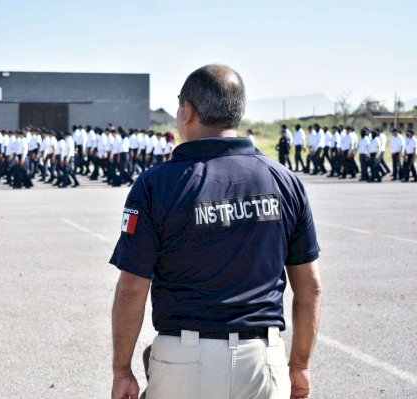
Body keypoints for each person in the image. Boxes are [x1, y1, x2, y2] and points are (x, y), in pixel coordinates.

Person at [110, 64, 321, 399]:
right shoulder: (284, 181)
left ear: (188, 111)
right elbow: (309, 288)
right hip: (262, 359)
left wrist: (122, 370)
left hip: (184, 359)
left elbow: (132, 289)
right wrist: (300, 366)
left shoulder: (157, 184)